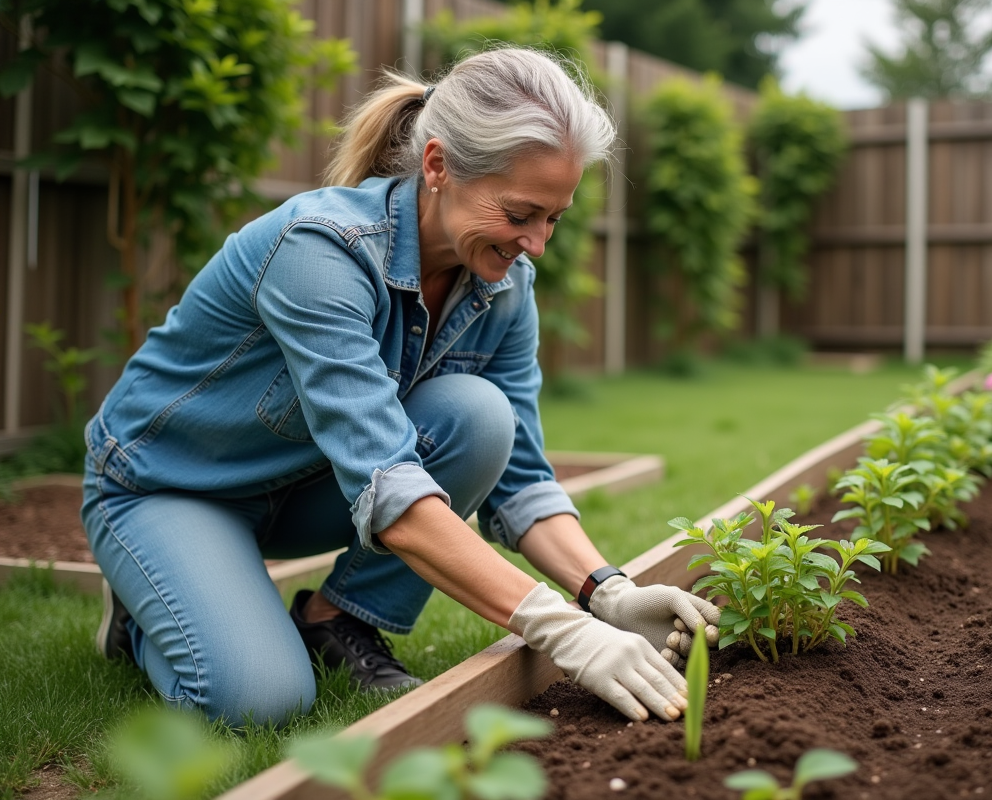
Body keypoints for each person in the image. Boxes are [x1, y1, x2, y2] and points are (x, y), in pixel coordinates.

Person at [83, 47, 720, 728]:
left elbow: (521, 477)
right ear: (439, 167)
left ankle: (340, 622)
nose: (538, 244)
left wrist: (608, 593)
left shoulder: (504, 286)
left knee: (480, 418)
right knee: (258, 702)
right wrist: (562, 631)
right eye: (519, 214)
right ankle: (139, 616)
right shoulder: (321, 252)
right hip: (171, 486)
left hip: (299, 485)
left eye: (554, 218)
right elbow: (388, 484)